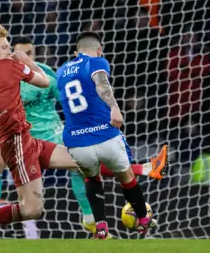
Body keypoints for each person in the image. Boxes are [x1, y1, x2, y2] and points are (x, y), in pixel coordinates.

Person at [0, 24, 165, 237]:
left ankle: (93, 216)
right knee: (18, 192)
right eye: (8, 48)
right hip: (17, 141)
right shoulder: (6, 70)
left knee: (84, 160)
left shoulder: (15, 71)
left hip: (45, 135)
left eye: (29, 53)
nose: (14, 53)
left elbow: (60, 95)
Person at [57, 31, 167, 239]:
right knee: (126, 177)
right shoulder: (97, 62)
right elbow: (101, 83)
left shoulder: (62, 71)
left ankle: (100, 227)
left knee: (91, 178)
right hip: (105, 134)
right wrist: (114, 107)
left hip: (77, 141)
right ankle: (144, 219)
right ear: (99, 50)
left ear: (75, 52)